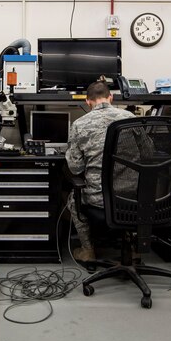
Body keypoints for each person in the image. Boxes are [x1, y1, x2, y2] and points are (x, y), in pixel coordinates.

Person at [65, 80, 133, 262]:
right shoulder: (130, 118)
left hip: (98, 198)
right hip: (133, 196)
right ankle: (132, 248)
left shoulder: (80, 124)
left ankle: (88, 251)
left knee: (73, 200)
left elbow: (75, 167)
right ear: (111, 97)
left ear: (88, 102)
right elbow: (148, 152)